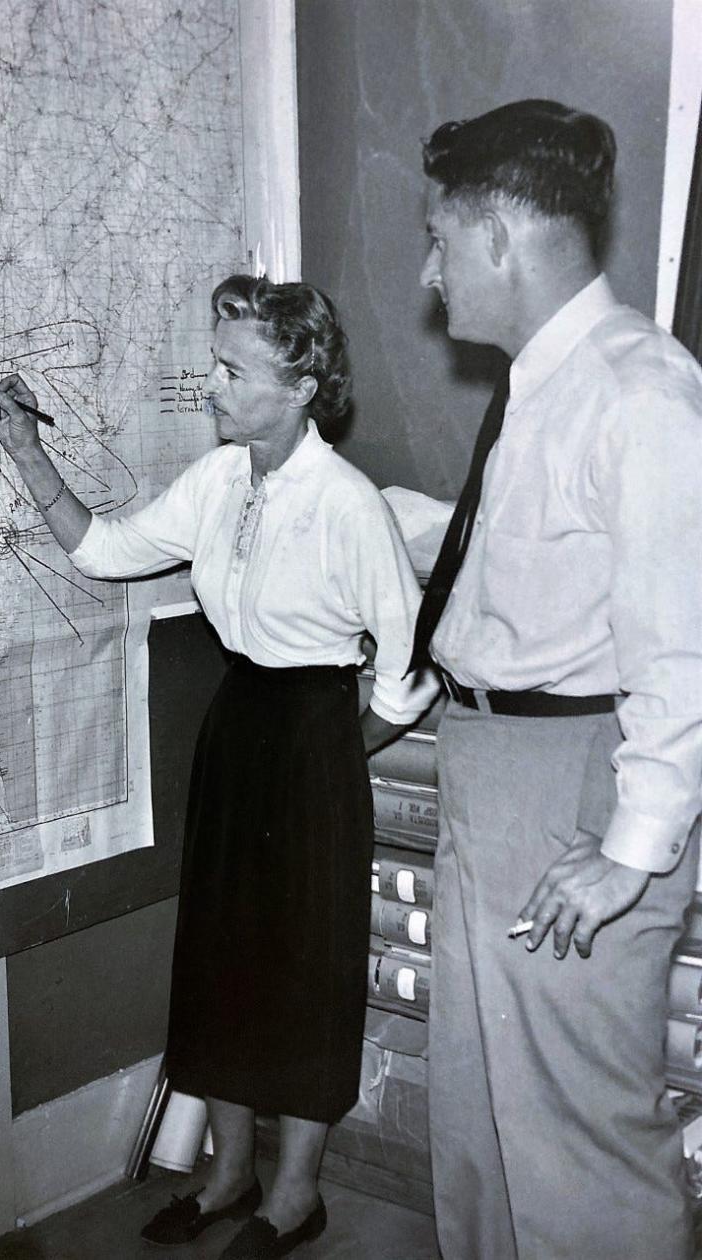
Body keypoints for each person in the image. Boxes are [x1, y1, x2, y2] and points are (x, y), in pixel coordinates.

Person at [0, 274, 437, 1259]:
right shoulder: (222, 479)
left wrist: (339, 749)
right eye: (215, 363)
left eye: (233, 369)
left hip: (314, 731)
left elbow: (408, 671)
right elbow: (106, 551)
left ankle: (296, 1195)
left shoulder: (348, 506)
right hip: (239, 729)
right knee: (227, 960)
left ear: (302, 381)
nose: (212, 385)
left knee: (304, 970)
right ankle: (229, 1175)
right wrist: (28, 451)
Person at [396, 99, 702, 1259]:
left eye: (437, 237)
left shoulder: (641, 392)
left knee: (576, 1139)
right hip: (495, 767)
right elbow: (532, 564)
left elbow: (688, 647)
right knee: (481, 1122)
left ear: (500, 235)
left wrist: (632, 851)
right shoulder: (546, 383)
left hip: (571, 782)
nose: (429, 272)